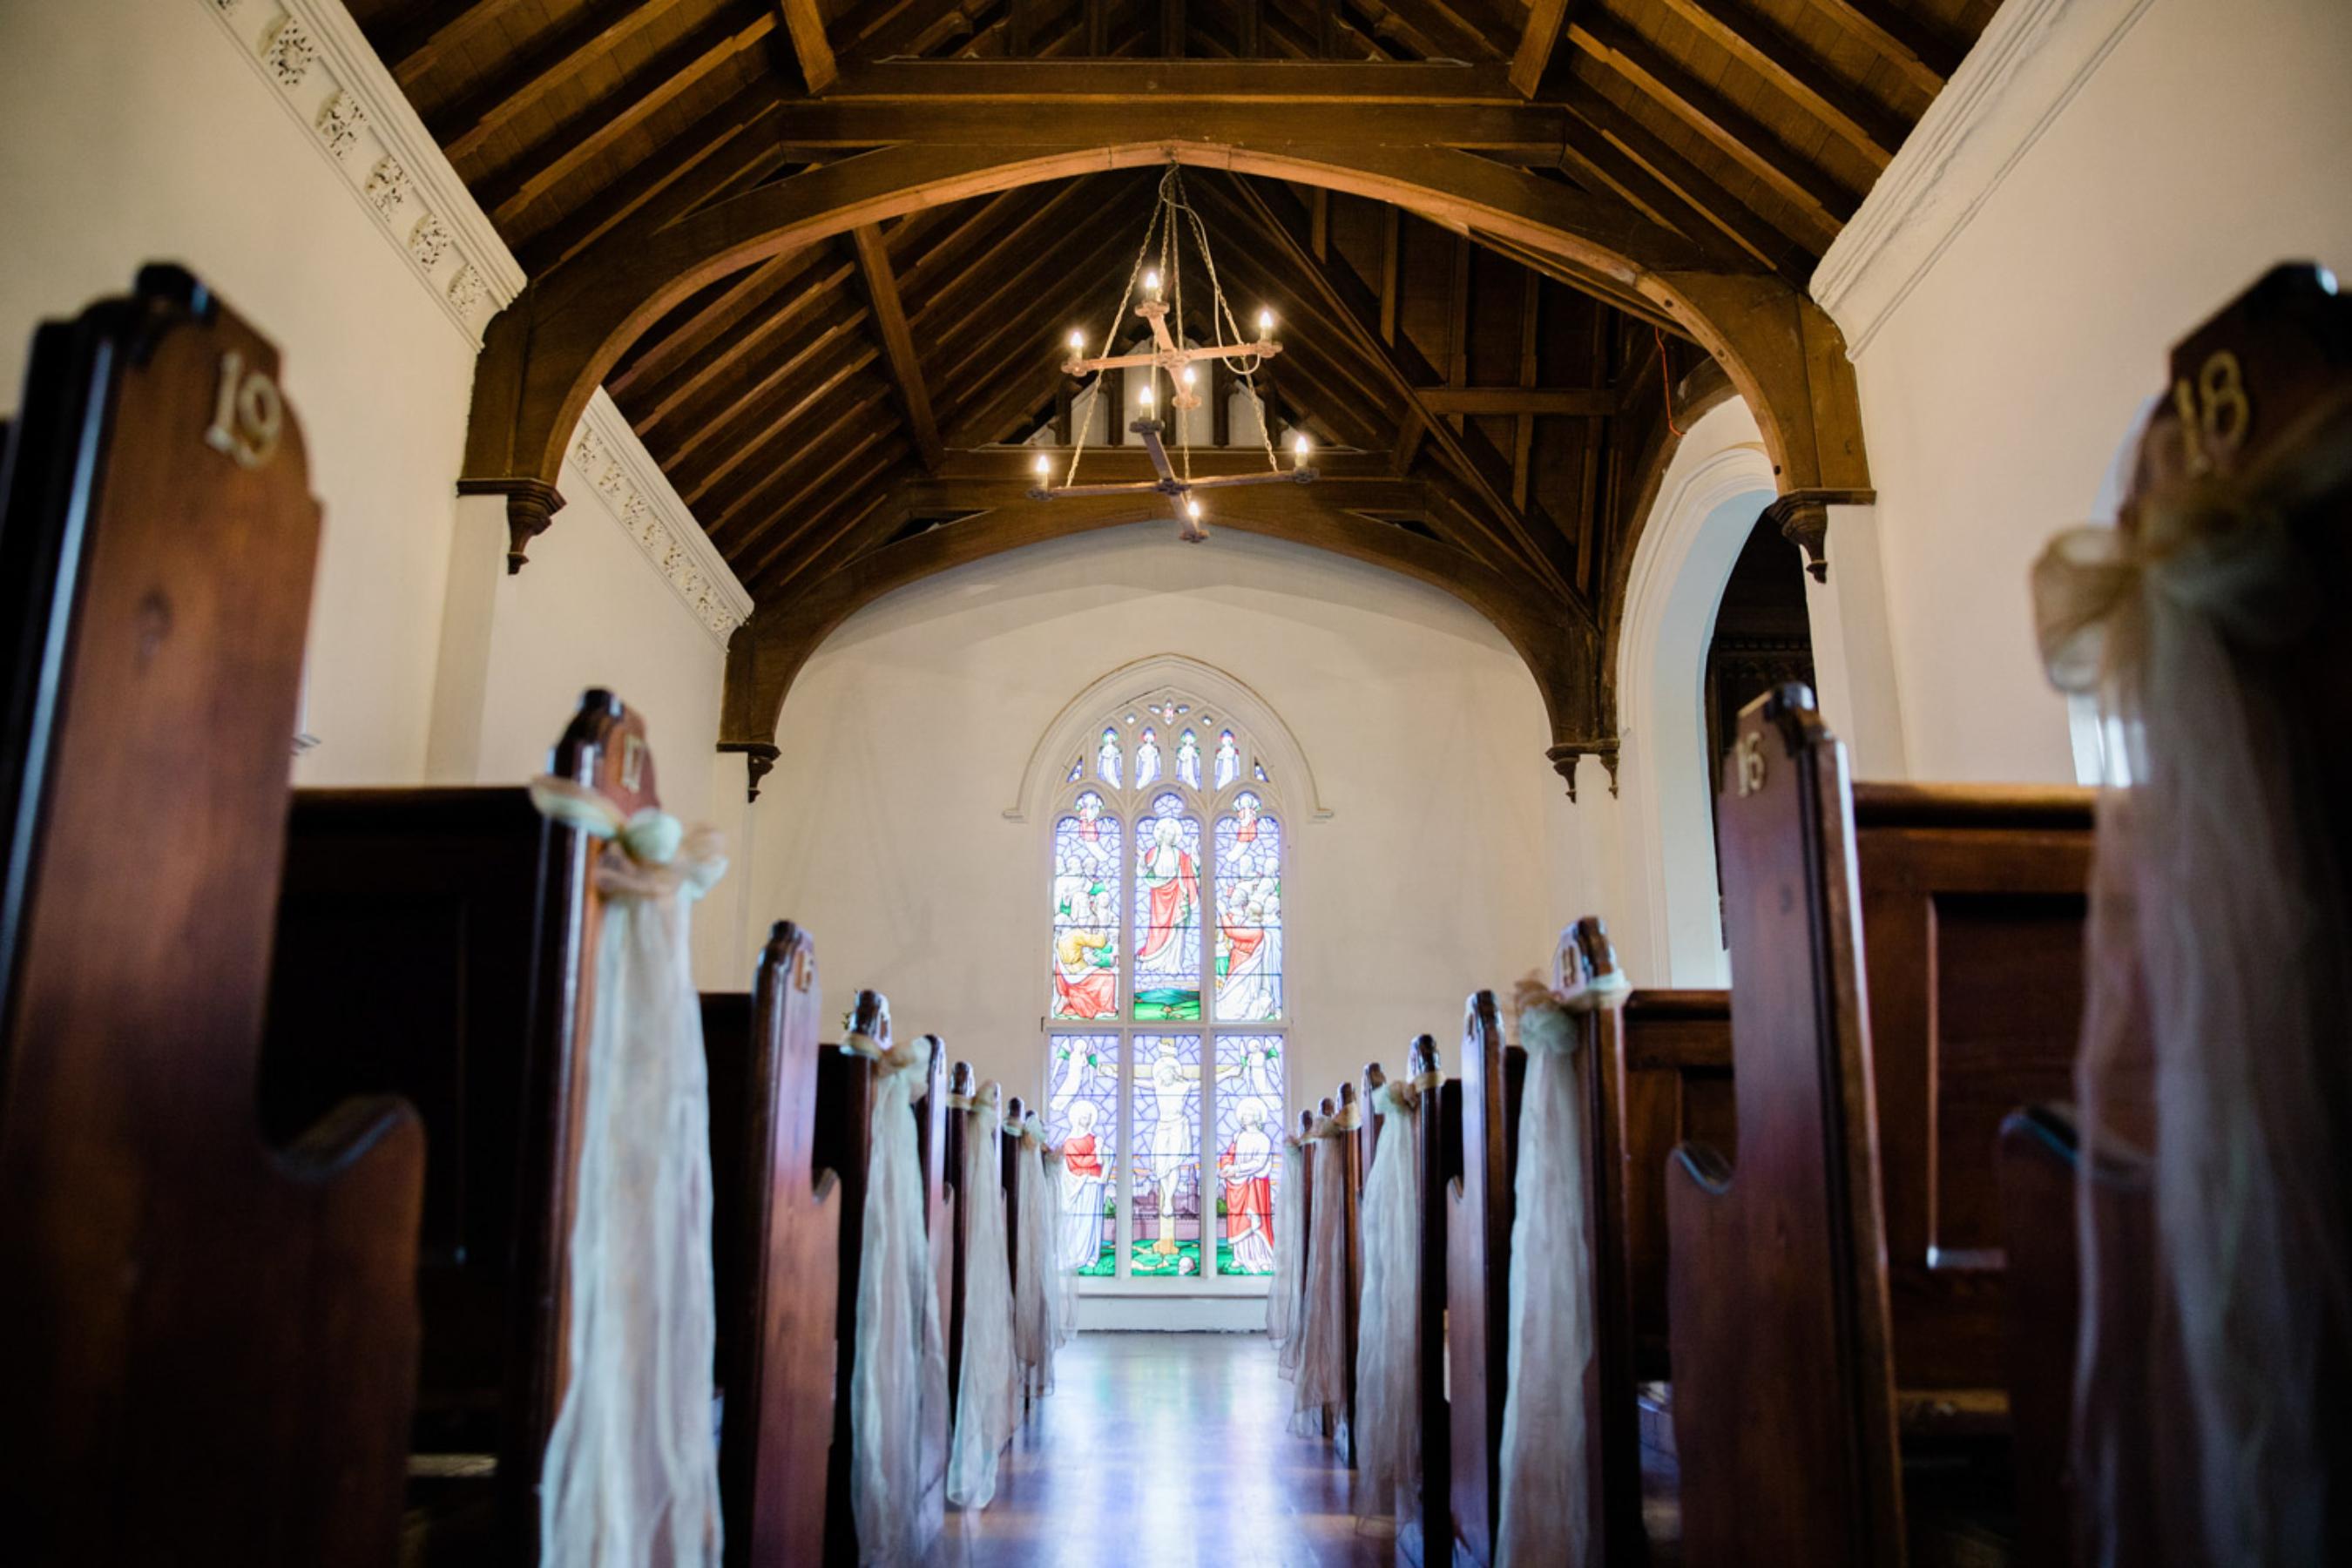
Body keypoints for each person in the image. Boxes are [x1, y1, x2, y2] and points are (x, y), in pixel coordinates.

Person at [1220, 1097, 1277, 1274]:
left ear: (1257, 1117)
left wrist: (1236, 1169)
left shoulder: (1264, 1139)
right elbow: (1229, 1155)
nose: (1244, 1117)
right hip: (1237, 1185)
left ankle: (1263, 1257)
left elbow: (1259, 1163)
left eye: (1249, 1114)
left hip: (1255, 1185)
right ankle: (1241, 1256)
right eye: (1243, 1114)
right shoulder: (1238, 1136)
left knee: (1256, 1218)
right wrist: (1226, 1167)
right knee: (1240, 1219)